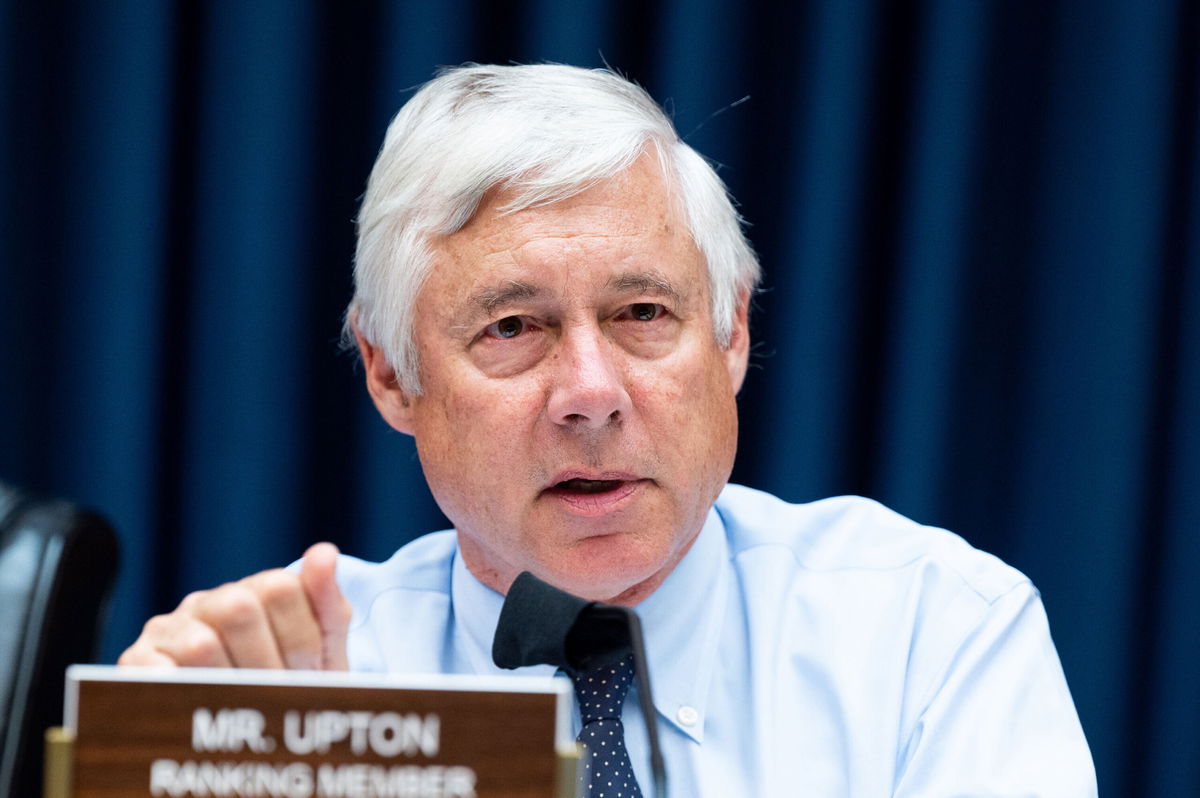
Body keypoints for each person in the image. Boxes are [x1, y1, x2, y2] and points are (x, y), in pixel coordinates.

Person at [120, 63, 1097, 795]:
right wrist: (160, 755)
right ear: (389, 375)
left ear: (731, 335)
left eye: (642, 316)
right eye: (512, 328)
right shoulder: (302, 698)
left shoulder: (929, 636)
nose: (591, 392)